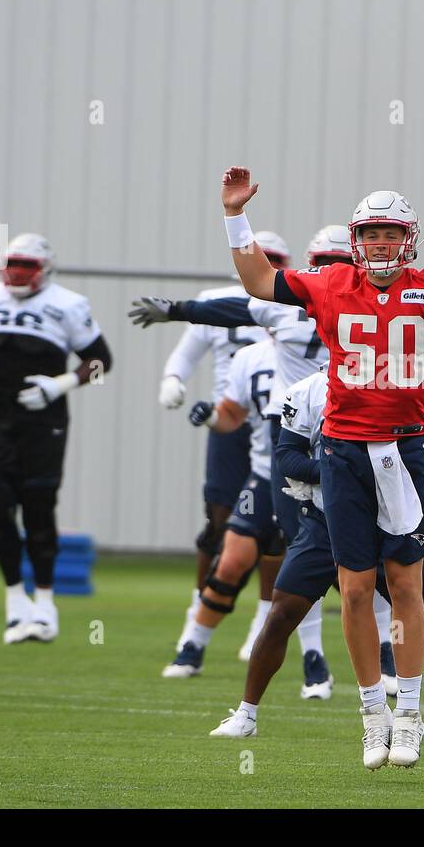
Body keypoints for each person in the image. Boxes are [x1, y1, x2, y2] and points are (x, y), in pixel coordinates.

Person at [218, 166, 424, 768]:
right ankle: (373, 714)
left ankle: (412, 714)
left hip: (405, 448)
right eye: (370, 234)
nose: (380, 245)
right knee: (355, 587)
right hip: (343, 450)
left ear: (409, 238)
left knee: (405, 586)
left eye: (390, 234)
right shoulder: (330, 282)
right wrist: (236, 216)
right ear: (355, 240)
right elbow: (260, 280)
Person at [209, 368, 424, 750]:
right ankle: (246, 713)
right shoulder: (307, 391)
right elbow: (287, 457)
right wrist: (340, 475)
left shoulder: (391, 384)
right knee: (281, 614)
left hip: (387, 520)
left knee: (421, 614)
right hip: (326, 520)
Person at [131, 229, 337, 661]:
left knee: (333, 552)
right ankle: (195, 637)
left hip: (337, 433)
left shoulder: (372, 298)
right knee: (229, 534)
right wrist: (179, 377)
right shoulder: (260, 333)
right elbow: (224, 317)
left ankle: (330, 653)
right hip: (268, 432)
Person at [0, 233, 112, 643]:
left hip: (43, 421)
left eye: (26, 266)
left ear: (45, 269)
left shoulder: (68, 304)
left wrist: (61, 384)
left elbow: (102, 362)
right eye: (11, 263)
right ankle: (15, 602)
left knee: (38, 507)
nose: (16, 273)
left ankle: (45, 606)